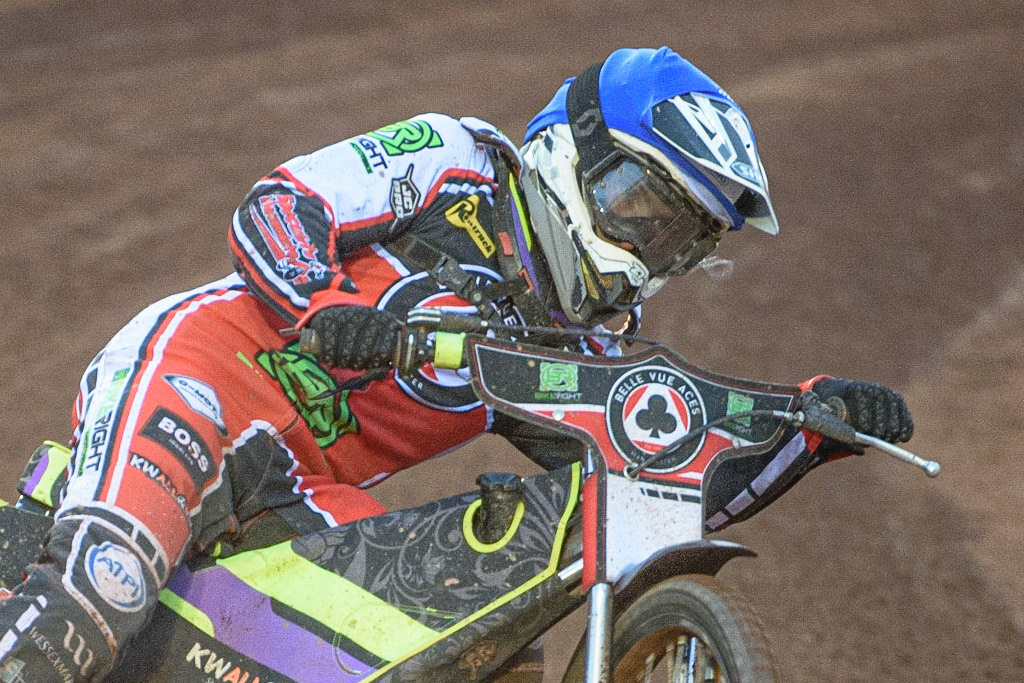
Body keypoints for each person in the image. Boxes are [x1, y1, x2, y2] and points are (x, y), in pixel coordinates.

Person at [0, 46, 912, 682]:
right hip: (196, 377)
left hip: (296, 482)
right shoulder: (457, 163)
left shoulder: (573, 343)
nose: (652, 250)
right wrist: (328, 309)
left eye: (682, 237)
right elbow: (278, 206)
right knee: (103, 585)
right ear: (575, 153)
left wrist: (809, 430)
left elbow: (655, 490)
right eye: (645, 207)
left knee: (468, 648)